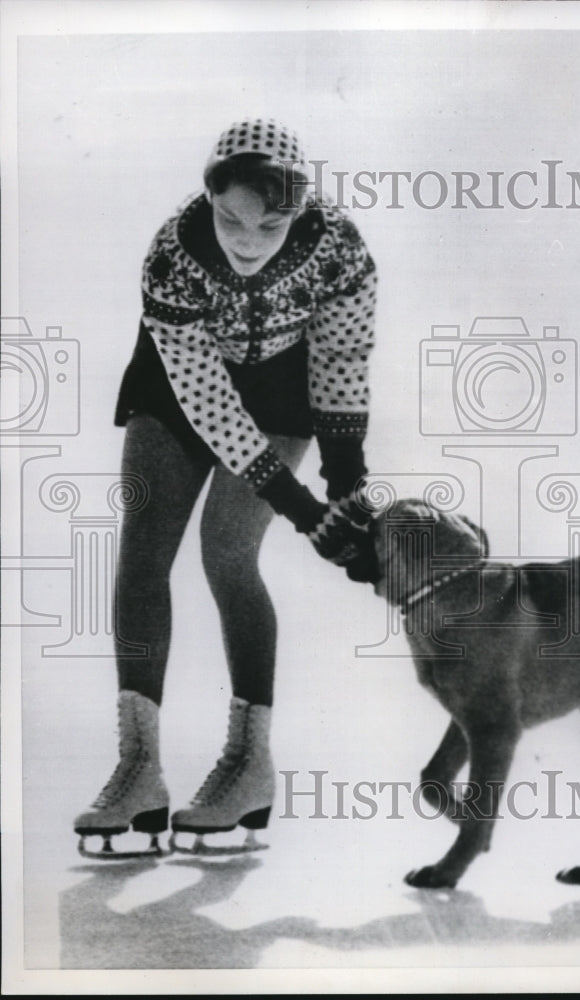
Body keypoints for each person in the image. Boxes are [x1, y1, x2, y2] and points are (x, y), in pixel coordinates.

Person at [74, 118, 379, 855]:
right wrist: (302, 507)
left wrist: (346, 482)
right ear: (208, 198)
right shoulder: (172, 255)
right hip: (178, 390)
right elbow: (205, 397)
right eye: (231, 218)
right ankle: (137, 767)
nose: (248, 239)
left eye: (271, 223)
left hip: (282, 390)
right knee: (145, 550)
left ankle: (248, 765)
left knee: (227, 553)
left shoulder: (341, 251)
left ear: (300, 214)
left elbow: (341, 355)